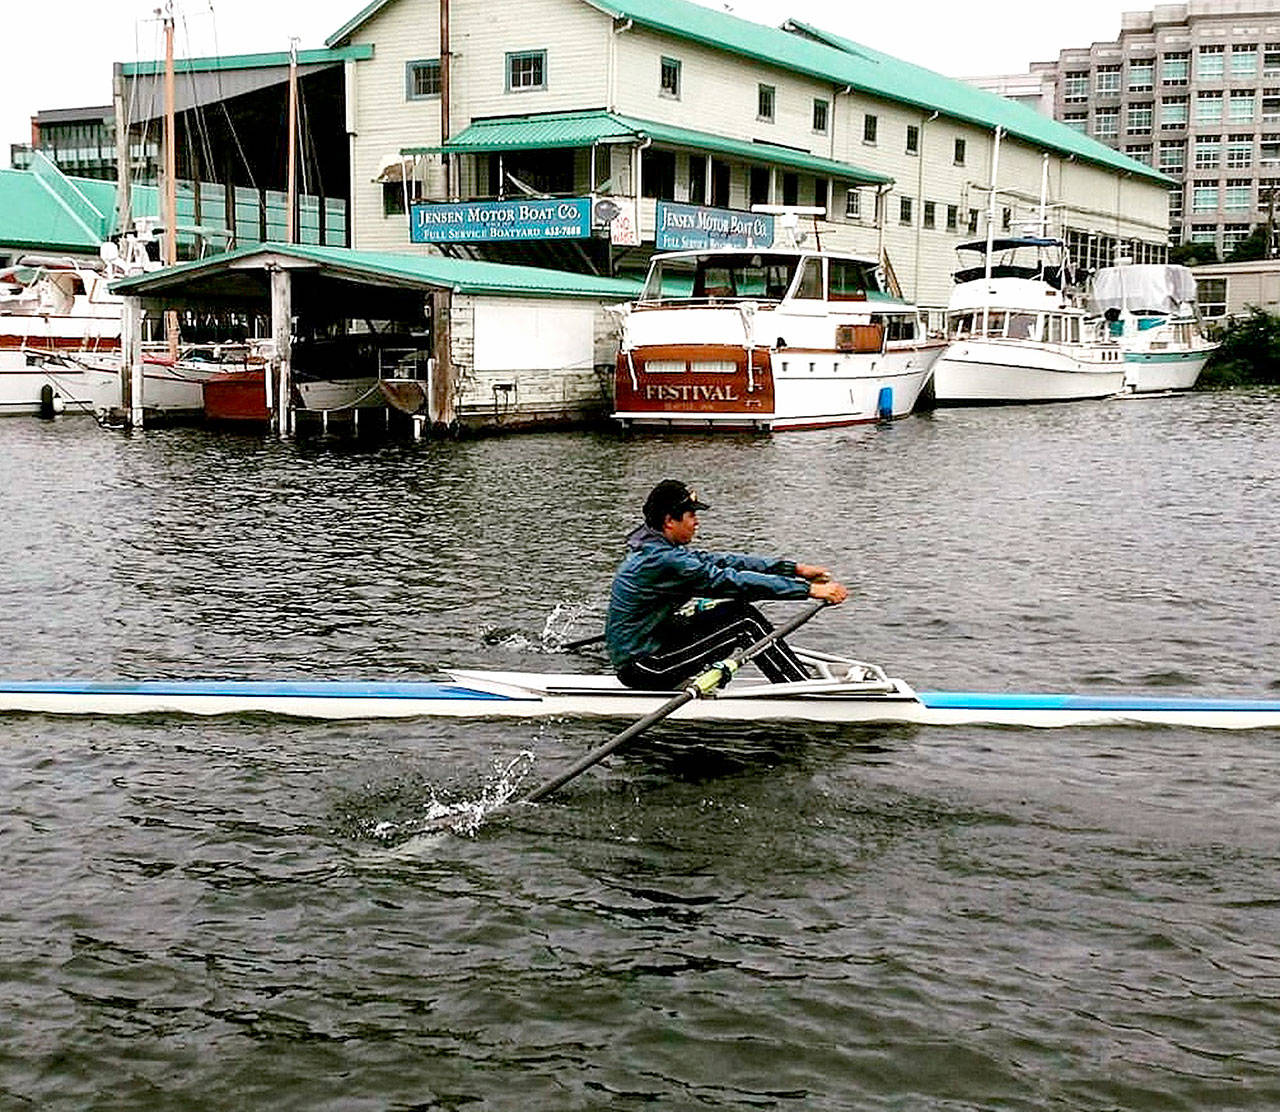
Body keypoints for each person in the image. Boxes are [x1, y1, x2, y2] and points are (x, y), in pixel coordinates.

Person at [605, 479, 849, 690]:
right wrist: (809, 591)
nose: (697, 522)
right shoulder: (665, 560)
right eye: (692, 515)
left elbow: (725, 561)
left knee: (738, 612)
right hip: (645, 667)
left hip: (650, 648)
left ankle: (796, 682)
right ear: (670, 520)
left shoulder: (658, 549)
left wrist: (794, 569)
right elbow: (733, 581)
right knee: (745, 622)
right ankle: (802, 691)